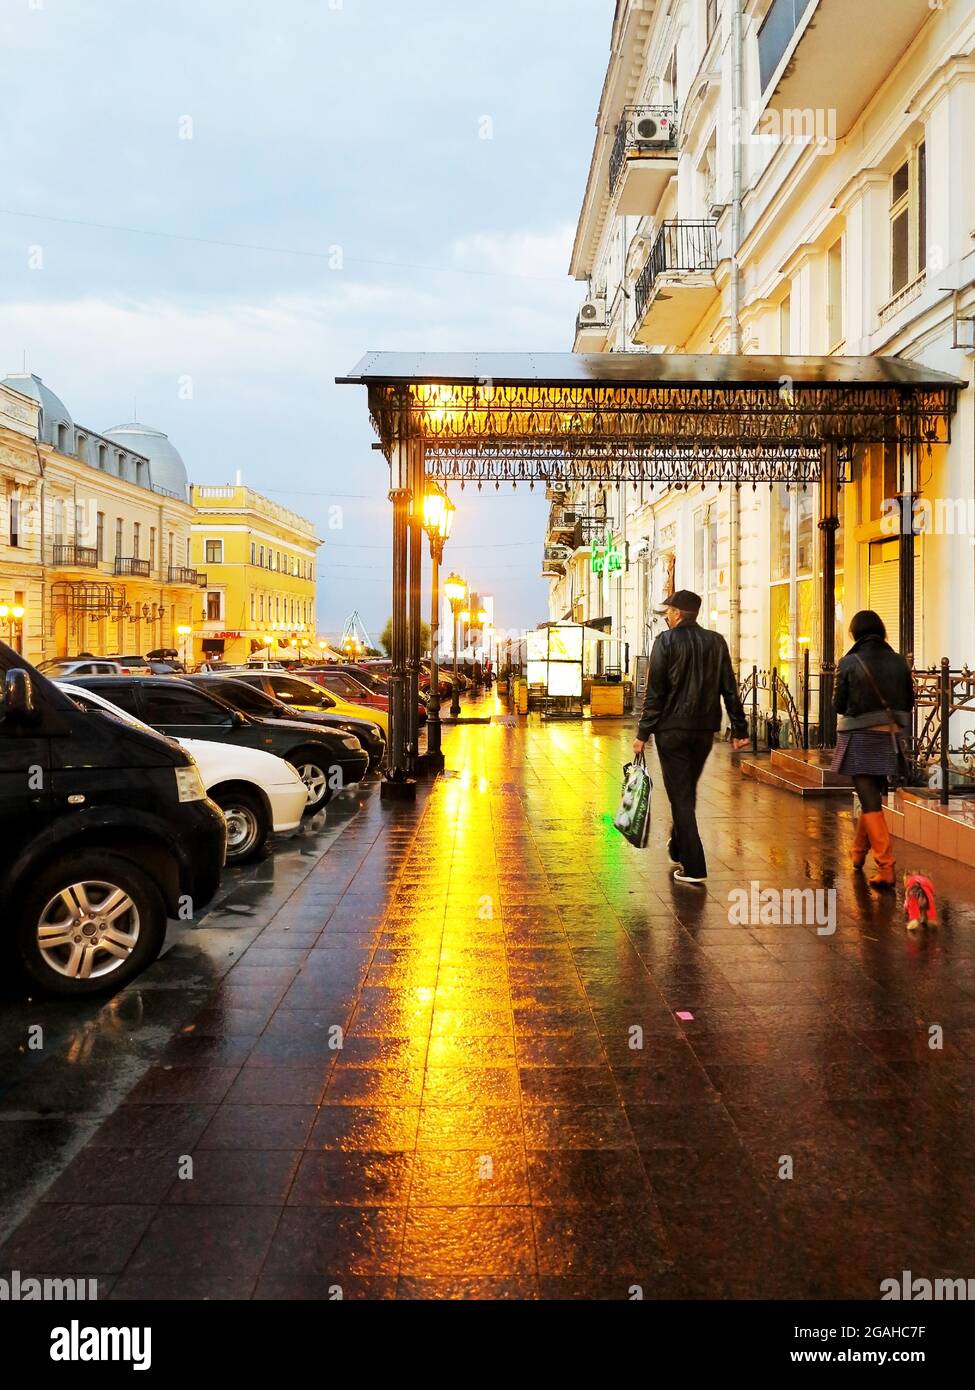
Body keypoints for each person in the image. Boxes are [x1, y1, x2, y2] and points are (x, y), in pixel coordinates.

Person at [633, 590, 751, 884]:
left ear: (677, 614)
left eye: (668, 612)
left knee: (681, 795)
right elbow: (729, 686)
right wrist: (740, 728)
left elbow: (655, 692)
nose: (667, 617)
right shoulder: (716, 641)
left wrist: (643, 732)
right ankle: (678, 844)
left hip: (672, 730)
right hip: (704, 731)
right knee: (686, 791)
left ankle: (695, 865)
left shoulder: (665, 642)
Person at [832, 610, 914, 889]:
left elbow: (839, 706)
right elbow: (908, 701)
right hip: (890, 738)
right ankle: (857, 854)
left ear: (855, 633)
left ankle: (886, 866)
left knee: (869, 801)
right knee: (871, 798)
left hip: (860, 738)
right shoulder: (899, 661)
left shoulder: (848, 662)